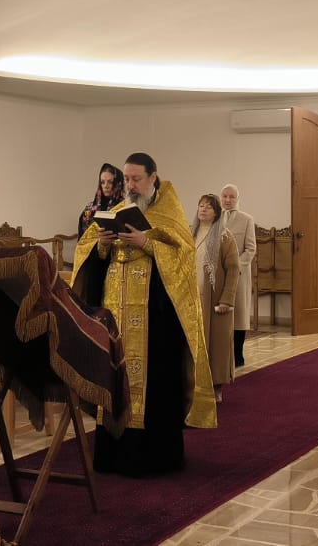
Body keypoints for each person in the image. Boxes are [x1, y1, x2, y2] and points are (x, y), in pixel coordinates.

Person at [71, 152, 216, 477]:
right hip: (115, 318)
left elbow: (182, 258)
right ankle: (113, 456)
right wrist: (102, 245)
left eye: (136, 179)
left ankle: (154, 459)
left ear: (153, 178)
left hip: (156, 323)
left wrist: (146, 243)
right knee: (115, 380)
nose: (130, 185)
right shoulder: (117, 211)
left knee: (156, 387)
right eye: (127, 179)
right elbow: (90, 260)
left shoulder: (169, 213)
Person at [193, 194, 239, 403]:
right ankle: (195, 385)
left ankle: (216, 386)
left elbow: (233, 269)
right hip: (193, 297)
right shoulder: (190, 234)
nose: (203, 209)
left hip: (215, 299)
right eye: (201, 205)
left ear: (216, 213)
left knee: (217, 345)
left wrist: (226, 300)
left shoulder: (224, 237)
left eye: (208, 207)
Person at [219, 184, 257, 366]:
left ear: (237, 199)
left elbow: (250, 249)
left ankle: (238, 355)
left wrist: (234, 266)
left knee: (239, 315)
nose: (228, 200)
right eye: (225, 196)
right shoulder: (214, 218)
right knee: (220, 315)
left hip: (239, 275)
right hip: (218, 274)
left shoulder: (246, 219)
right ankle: (221, 355)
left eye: (231, 197)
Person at [77, 163, 126, 237]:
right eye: (102, 182)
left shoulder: (124, 207)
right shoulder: (89, 209)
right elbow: (82, 239)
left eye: (110, 182)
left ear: (118, 183)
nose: (106, 186)